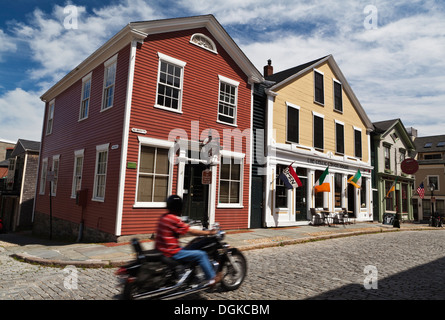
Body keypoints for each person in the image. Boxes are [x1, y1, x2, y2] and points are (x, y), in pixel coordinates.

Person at [155, 195, 222, 286]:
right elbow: (190, 231)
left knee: (189, 247)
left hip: (163, 249)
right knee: (201, 255)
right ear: (179, 207)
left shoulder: (164, 217)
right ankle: (211, 279)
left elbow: (179, 230)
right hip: (171, 252)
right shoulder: (173, 219)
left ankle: (191, 275)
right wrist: (209, 232)